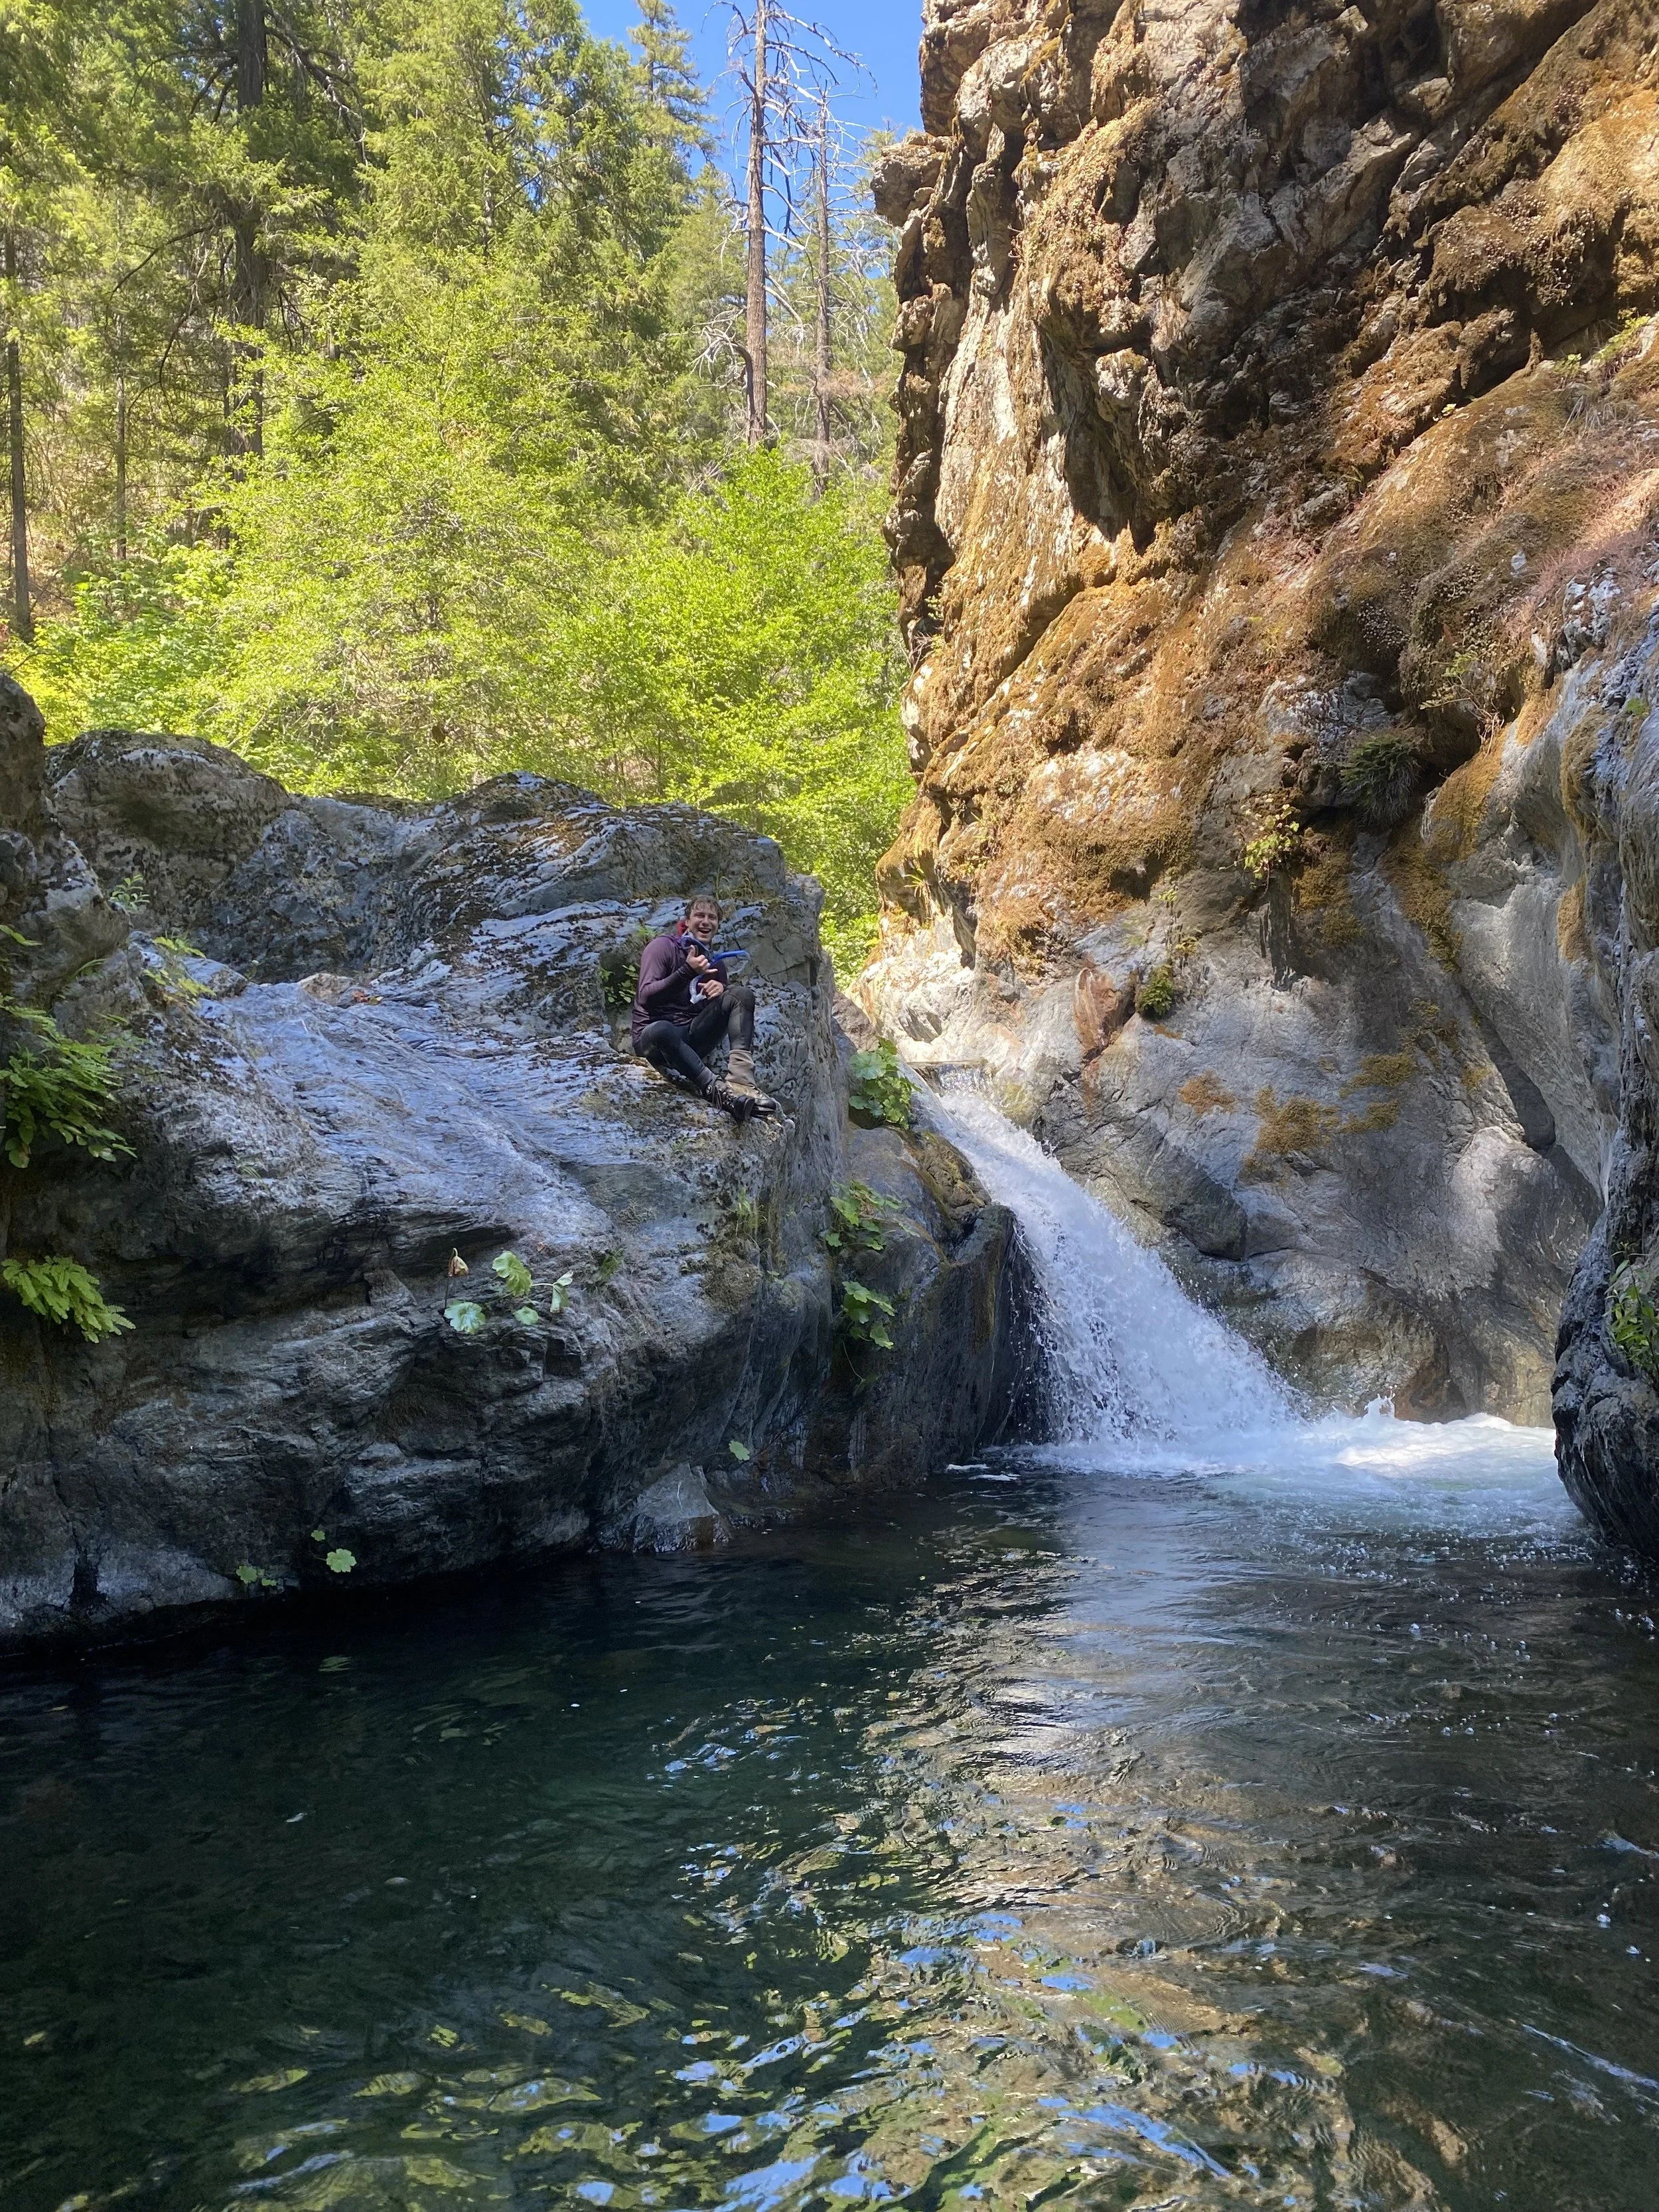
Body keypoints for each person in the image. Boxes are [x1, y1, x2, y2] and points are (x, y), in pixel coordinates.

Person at [631, 891, 778, 1120]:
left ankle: (741, 1082)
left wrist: (722, 992)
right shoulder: (662, 947)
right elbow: (645, 997)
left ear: (718, 925)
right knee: (662, 1029)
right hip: (654, 1040)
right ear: (687, 921)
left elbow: (723, 1006)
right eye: (699, 915)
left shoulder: (715, 965)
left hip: (692, 1039)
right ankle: (715, 1090)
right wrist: (687, 972)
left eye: (712, 917)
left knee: (741, 995)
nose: (706, 922)